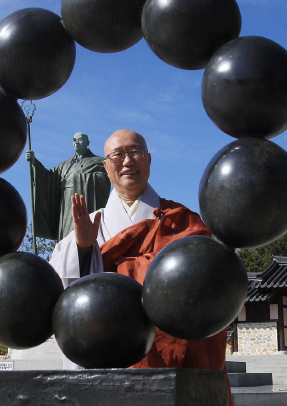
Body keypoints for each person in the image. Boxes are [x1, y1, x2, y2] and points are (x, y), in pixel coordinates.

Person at [50, 129, 229, 374]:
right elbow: (64, 295)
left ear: (149, 159)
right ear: (105, 165)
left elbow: (208, 281)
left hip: (172, 354)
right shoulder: (91, 225)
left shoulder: (182, 221)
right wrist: (84, 249)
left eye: (135, 152)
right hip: (108, 349)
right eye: (118, 155)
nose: (127, 161)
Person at [26, 132, 111, 241]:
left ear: (87, 143)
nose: (76, 142)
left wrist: (77, 179)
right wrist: (34, 162)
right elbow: (48, 177)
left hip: (85, 206)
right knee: (66, 236)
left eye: (80, 140)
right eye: (74, 140)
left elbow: (104, 181)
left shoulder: (98, 162)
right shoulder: (65, 165)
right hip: (66, 205)